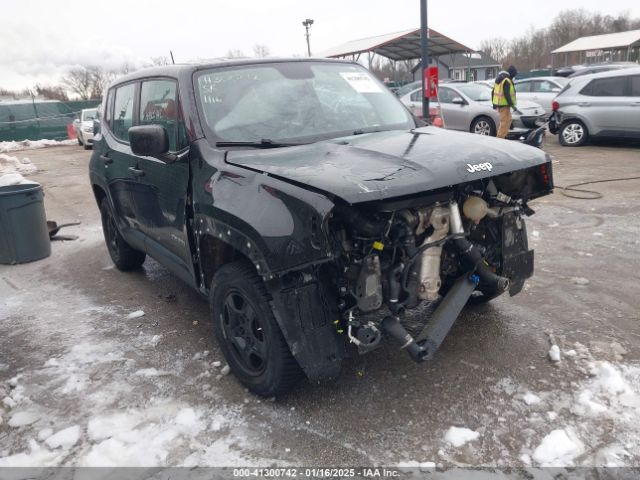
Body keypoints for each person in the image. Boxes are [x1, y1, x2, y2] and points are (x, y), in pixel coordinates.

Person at [492, 65, 521, 139]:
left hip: (502, 104)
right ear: (511, 74)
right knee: (504, 122)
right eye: (514, 75)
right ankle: (499, 139)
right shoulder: (506, 80)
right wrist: (512, 106)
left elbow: (493, 91)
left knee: (508, 120)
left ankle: (503, 135)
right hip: (504, 105)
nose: (514, 77)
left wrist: (494, 103)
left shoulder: (500, 79)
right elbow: (506, 94)